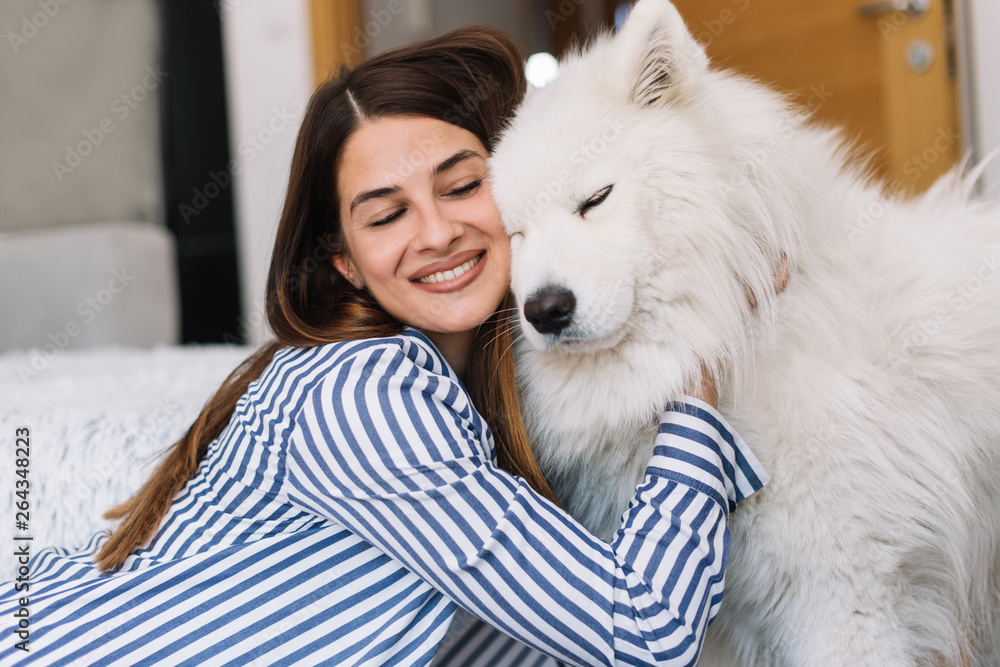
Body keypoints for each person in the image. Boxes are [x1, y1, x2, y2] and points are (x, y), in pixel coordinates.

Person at [0, 25, 770, 666]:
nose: (436, 233)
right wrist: (696, 369)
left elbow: (507, 637)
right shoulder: (369, 394)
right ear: (346, 260)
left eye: (462, 185)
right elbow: (639, 632)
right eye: (385, 213)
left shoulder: (487, 392)